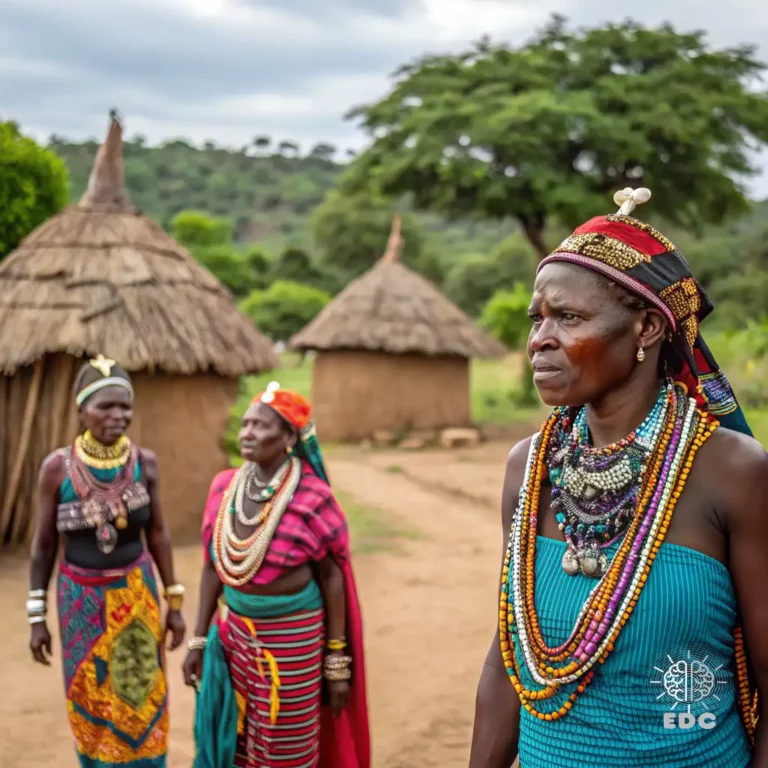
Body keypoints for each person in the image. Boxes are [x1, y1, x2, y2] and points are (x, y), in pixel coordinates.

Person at [469, 189, 765, 768]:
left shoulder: (734, 474)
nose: (539, 339)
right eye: (538, 319)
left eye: (569, 318)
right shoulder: (527, 471)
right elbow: (511, 657)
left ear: (648, 327)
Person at [183, 381, 370, 768]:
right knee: (231, 741)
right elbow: (211, 567)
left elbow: (333, 577)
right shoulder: (223, 487)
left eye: (261, 425)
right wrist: (199, 640)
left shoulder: (313, 496)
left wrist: (336, 664)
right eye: (246, 423)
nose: (248, 432)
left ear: (288, 436)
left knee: (289, 749)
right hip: (232, 640)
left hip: (295, 646)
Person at [28, 354, 186, 768]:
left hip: (135, 597)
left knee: (140, 697)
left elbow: (158, 533)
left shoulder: (143, 463)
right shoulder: (56, 469)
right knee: (91, 699)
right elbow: (44, 545)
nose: (118, 415)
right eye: (105, 406)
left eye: (125, 406)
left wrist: (175, 603)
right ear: (81, 410)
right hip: (79, 600)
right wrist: (35, 616)